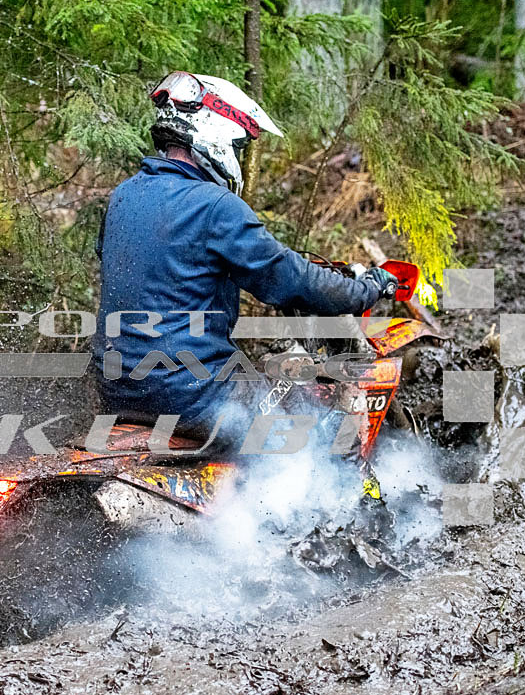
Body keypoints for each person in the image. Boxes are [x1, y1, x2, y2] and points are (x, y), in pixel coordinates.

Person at [92, 71, 398, 448]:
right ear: (217, 132)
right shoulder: (216, 206)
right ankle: (345, 486)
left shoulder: (124, 196)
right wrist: (365, 289)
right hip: (192, 394)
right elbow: (290, 279)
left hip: (117, 390)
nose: (237, 155)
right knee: (318, 425)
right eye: (238, 146)